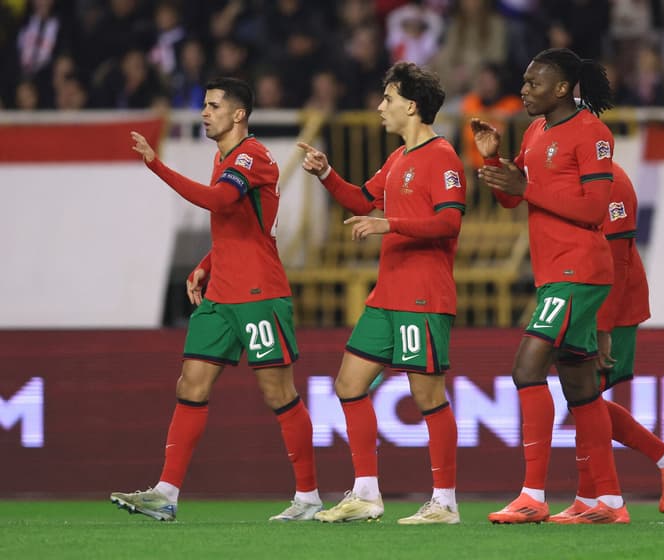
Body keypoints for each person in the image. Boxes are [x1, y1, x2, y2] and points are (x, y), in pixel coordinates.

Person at [110, 77, 322, 522]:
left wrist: (157, 165)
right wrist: (207, 261)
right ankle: (166, 493)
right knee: (191, 384)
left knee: (277, 392)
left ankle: (308, 497)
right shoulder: (222, 155)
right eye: (204, 106)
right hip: (222, 294)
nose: (204, 112)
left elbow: (218, 200)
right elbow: (239, 223)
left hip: (260, 293)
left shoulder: (252, 156)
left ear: (238, 114)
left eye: (212, 106)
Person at [297, 61, 465, 525]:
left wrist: (389, 223)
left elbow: (449, 221)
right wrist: (327, 174)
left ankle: (445, 503)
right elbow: (361, 200)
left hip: (423, 296)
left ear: (411, 105)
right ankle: (366, 493)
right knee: (348, 384)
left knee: (427, 396)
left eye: (388, 99)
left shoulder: (443, 157)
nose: (379, 107)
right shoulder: (398, 160)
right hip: (387, 295)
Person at [472, 47, 625, 524]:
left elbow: (594, 209)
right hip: (555, 272)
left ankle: (532, 494)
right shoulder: (537, 131)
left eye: (534, 83)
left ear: (562, 88)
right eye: (524, 80)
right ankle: (611, 503)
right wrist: (495, 163)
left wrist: (525, 188)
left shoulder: (593, 133)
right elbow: (511, 196)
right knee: (581, 388)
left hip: (579, 269)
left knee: (526, 367)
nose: (524, 90)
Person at [552, 161, 664, 521]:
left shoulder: (611, 182)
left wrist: (603, 328)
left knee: (585, 400)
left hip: (614, 308)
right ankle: (595, 497)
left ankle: (604, 499)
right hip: (589, 300)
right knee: (583, 401)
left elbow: (618, 262)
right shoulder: (568, 174)